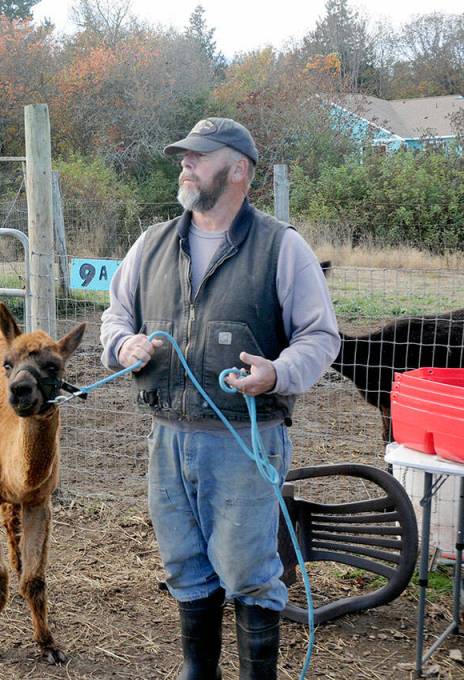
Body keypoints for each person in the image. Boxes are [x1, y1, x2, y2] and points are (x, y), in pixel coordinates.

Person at [99, 118, 339, 680]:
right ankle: (197, 671)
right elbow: (115, 316)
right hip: (166, 435)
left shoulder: (282, 247)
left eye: (198, 156)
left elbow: (321, 335)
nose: (185, 164)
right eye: (183, 155)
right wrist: (121, 344)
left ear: (238, 171)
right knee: (184, 564)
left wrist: (278, 373)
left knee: (249, 571)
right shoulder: (151, 243)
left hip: (245, 440)